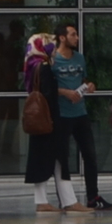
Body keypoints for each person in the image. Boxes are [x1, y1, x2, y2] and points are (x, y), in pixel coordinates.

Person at [51, 23, 111, 210]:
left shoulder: (79, 58)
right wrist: (65, 92)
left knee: (90, 154)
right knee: (63, 157)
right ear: (62, 37)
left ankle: (93, 196)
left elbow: (83, 79)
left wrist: (89, 85)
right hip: (62, 114)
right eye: (73, 34)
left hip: (80, 112)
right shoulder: (52, 60)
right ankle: (66, 199)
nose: (77, 38)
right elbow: (47, 86)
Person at [23, 34, 81, 213]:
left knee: (47, 161)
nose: (54, 50)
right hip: (49, 122)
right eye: (51, 46)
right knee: (57, 160)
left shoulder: (31, 65)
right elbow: (49, 95)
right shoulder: (45, 67)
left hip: (39, 122)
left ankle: (52, 200)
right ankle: (67, 201)